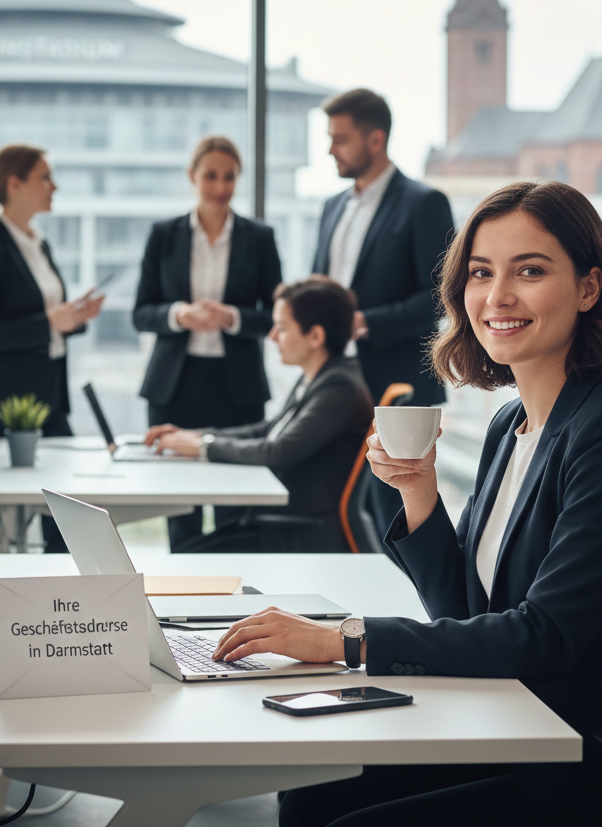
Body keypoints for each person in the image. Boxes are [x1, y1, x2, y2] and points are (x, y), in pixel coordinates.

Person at [211, 181, 602, 827]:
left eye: (530, 270)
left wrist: (344, 640)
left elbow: (543, 636)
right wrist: (418, 490)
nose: (497, 296)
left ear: (588, 289)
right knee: (311, 796)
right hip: (525, 722)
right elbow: (465, 613)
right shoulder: (511, 424)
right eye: (480, 273)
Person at [313, 88, 455, 535]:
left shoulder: (424, 203)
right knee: (342, 516)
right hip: (338, 386)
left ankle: (417, 605)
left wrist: (364, 323)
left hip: (398, 386)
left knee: (397, 520)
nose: (330, 148)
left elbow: (442, 295)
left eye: (340, 138)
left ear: (375, 140)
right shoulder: (331, 207)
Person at [145, 277, 373, 553]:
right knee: (185, 555)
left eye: (282, 327)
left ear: (315, 336)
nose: (272, 336)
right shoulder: (320, 377)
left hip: (298, 532)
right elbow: (268, 430)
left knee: (183, 560)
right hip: (280, 523)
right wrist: (196, 437)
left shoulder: (339, 387)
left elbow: (277, 451)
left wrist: (204, 446)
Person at [132, 135, 283, 551]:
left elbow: (278, 314)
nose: (221, 186)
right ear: (192, 176)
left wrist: (231, 318)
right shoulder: (164, 235)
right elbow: (141, 312)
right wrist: (179, 314)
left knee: (234, 507)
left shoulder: (259, 237)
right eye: (211, 176)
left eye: (230, 176)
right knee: (180, 507)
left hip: (236, 388)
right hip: (174, 387)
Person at [0, 144, 104, 553]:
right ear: (14, 184)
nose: (54, 186)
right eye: (45, 177)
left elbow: (44, 320)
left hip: (51, 400)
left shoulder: (38, 244)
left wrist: (72, 318)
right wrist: (49, 323)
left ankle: (74, 606)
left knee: (73, 514)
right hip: (12, 408)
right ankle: (57, 603)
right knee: (63, 520)